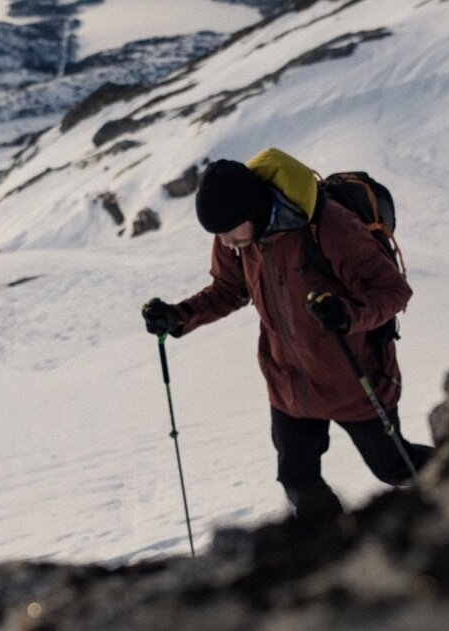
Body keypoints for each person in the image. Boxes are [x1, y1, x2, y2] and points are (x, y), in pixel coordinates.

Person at [142, 148, 433, 523]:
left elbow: (394, 291)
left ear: (253, 209)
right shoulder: (233, 233)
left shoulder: (328, 226)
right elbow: (230, 290)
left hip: (353, 379)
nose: (226, 242)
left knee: (394, 467)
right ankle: (329, 555)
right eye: (219, 235)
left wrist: (348, 314)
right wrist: (179, 316)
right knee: (297, 480)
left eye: (230, 231)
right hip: (289, 384)